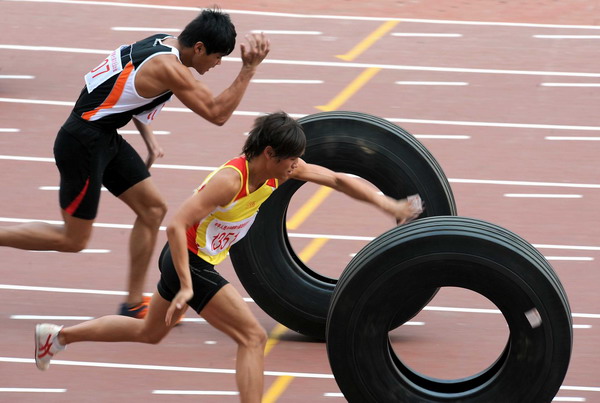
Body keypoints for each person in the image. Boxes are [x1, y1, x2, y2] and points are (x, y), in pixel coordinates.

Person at [33, 112, 424, 403]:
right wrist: (187, 285)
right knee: (252, 337)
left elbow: (338, 179)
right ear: (268, 153)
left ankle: (58, 336)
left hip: (190, 260)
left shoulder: (278, 170)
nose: (295, 168)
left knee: (148, 333)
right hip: (190, 261)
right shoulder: (230, 180)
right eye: (290, 161)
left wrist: (388, 203)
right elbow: (175, 224)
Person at [0, 8, 270, 318]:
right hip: (83, 142)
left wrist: (149, 139)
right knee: (72, 239)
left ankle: (132, 302)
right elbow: (216, 113)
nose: (218, 63)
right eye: (217, 57)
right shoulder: (172, 68)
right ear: (198, 48)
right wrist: (248, 69)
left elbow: (127, 86)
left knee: (153, 209)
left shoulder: (162, 42)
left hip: (103, 136)